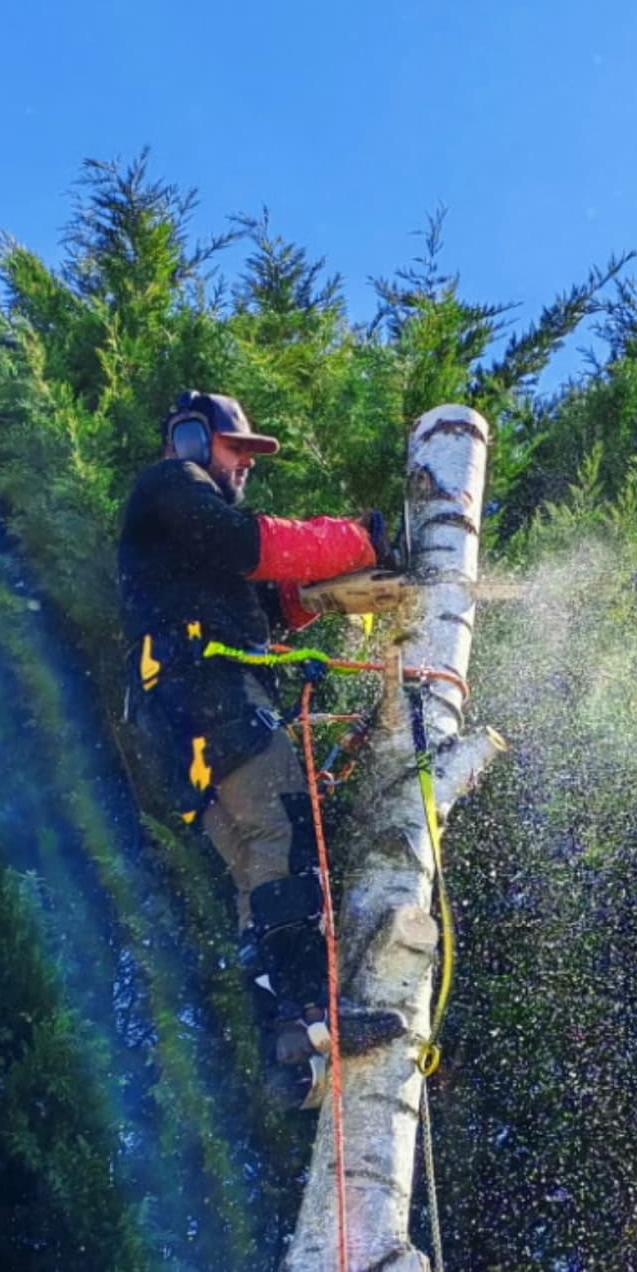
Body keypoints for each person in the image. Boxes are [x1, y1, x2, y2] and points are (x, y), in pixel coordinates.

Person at [118, 390, 406, 1110]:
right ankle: (313, 1013)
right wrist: (357, 539)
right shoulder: (170, 487)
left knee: (256, 866)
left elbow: (260, 607)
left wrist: (313, 598)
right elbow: (250, 545)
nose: (243, 465)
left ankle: (287, 1038)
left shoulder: (182, 552)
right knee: (284, 834)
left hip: (180, 725)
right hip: (212, 702)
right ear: (188, 439)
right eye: (233, 449)